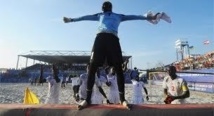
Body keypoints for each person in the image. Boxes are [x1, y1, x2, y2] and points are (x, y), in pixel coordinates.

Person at [63, 1, 169, 110]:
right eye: (103, 6)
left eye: (106, 6)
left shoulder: (118, 16)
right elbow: (86, 17)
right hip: (99, 39)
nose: (104, 8)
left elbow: (133, 17)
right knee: (92, 67)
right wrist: (72, 20)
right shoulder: (99, 15)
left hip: (113, 39)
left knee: (118, 68)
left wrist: (148, 17)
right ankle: (87, 99)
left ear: (110, 8)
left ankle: (122, 99)